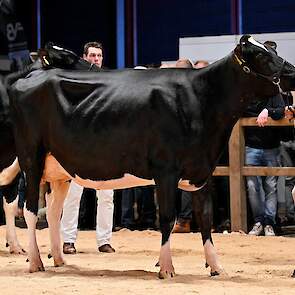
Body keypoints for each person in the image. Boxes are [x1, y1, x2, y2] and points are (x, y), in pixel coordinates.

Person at [61, 41, 115, 254]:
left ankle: (104, 240)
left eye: (99, 56)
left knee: (107, 195)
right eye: (92, 56)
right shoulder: (75, 83)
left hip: (105, 145)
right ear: (84, 58)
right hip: (79, 145)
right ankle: (68, 239)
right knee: (73, 193)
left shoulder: (109, 81)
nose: (96, 59)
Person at [244, 41, 285, 236]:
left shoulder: (274, 88)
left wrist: (267, 110)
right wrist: (261, 111)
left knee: (271, 186)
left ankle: (269, 222)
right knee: (253, 187)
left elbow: (280, 112)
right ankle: (258, 221)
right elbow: (245, 109)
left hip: (271, 146)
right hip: (251, 145)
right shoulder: (249, 89)